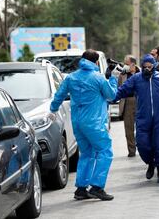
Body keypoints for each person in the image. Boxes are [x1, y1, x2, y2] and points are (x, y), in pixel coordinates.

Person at [50, 49, 118, 201]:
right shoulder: (98, 78)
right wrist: (112, 79)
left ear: (82, 60)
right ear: (95, 62)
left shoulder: (71, 77)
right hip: (94, 123)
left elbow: (59, 95)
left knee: (87, 154)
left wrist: (52, 110)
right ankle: (97, 187)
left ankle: (81, 189)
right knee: (105, 152)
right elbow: (111, 95)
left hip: (78, 123)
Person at [114, 54, 159, 183]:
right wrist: (110, 96)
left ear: (154, 66)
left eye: (150, 66)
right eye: (145, 67)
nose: (147, 69)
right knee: (142, 144)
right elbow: (122, 90)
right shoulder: (136, 79)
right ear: (141, 66)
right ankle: (150, 163)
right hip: (142, 118)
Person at [118, 55, 140, 157]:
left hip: (140, 101)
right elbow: (119, 89)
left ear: (133, 64)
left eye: (127, 64)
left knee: (142, 126)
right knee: (128, 128)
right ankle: (131, 150)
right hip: (127, 101)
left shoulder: (141, 73)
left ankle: (143, 147)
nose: (125, 66)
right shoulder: (122, 75)